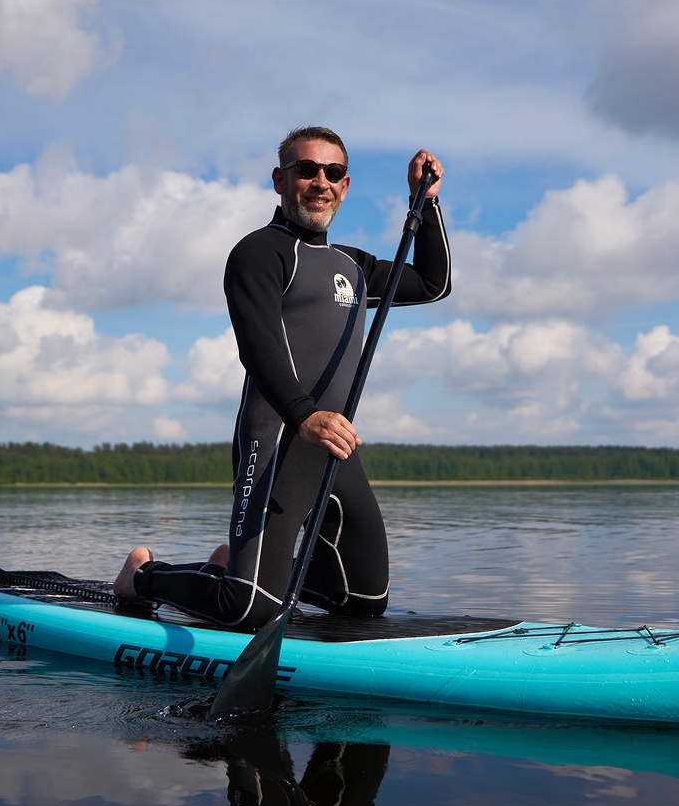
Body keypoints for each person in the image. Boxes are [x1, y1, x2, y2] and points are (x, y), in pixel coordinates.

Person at [112, 126, 450, 631]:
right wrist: (304, 415)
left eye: (332, 173)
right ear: (279, 179)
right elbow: (258, 345)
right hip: (277, 438)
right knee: (252, 610)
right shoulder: (259, 252)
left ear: (346, 184)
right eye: (306, 170)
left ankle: (240, 569)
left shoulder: (353, 266)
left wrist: (424, 204)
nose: (320, 182)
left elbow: (432, 284)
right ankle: (143, 576)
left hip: (334, 447)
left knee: (364, 601)